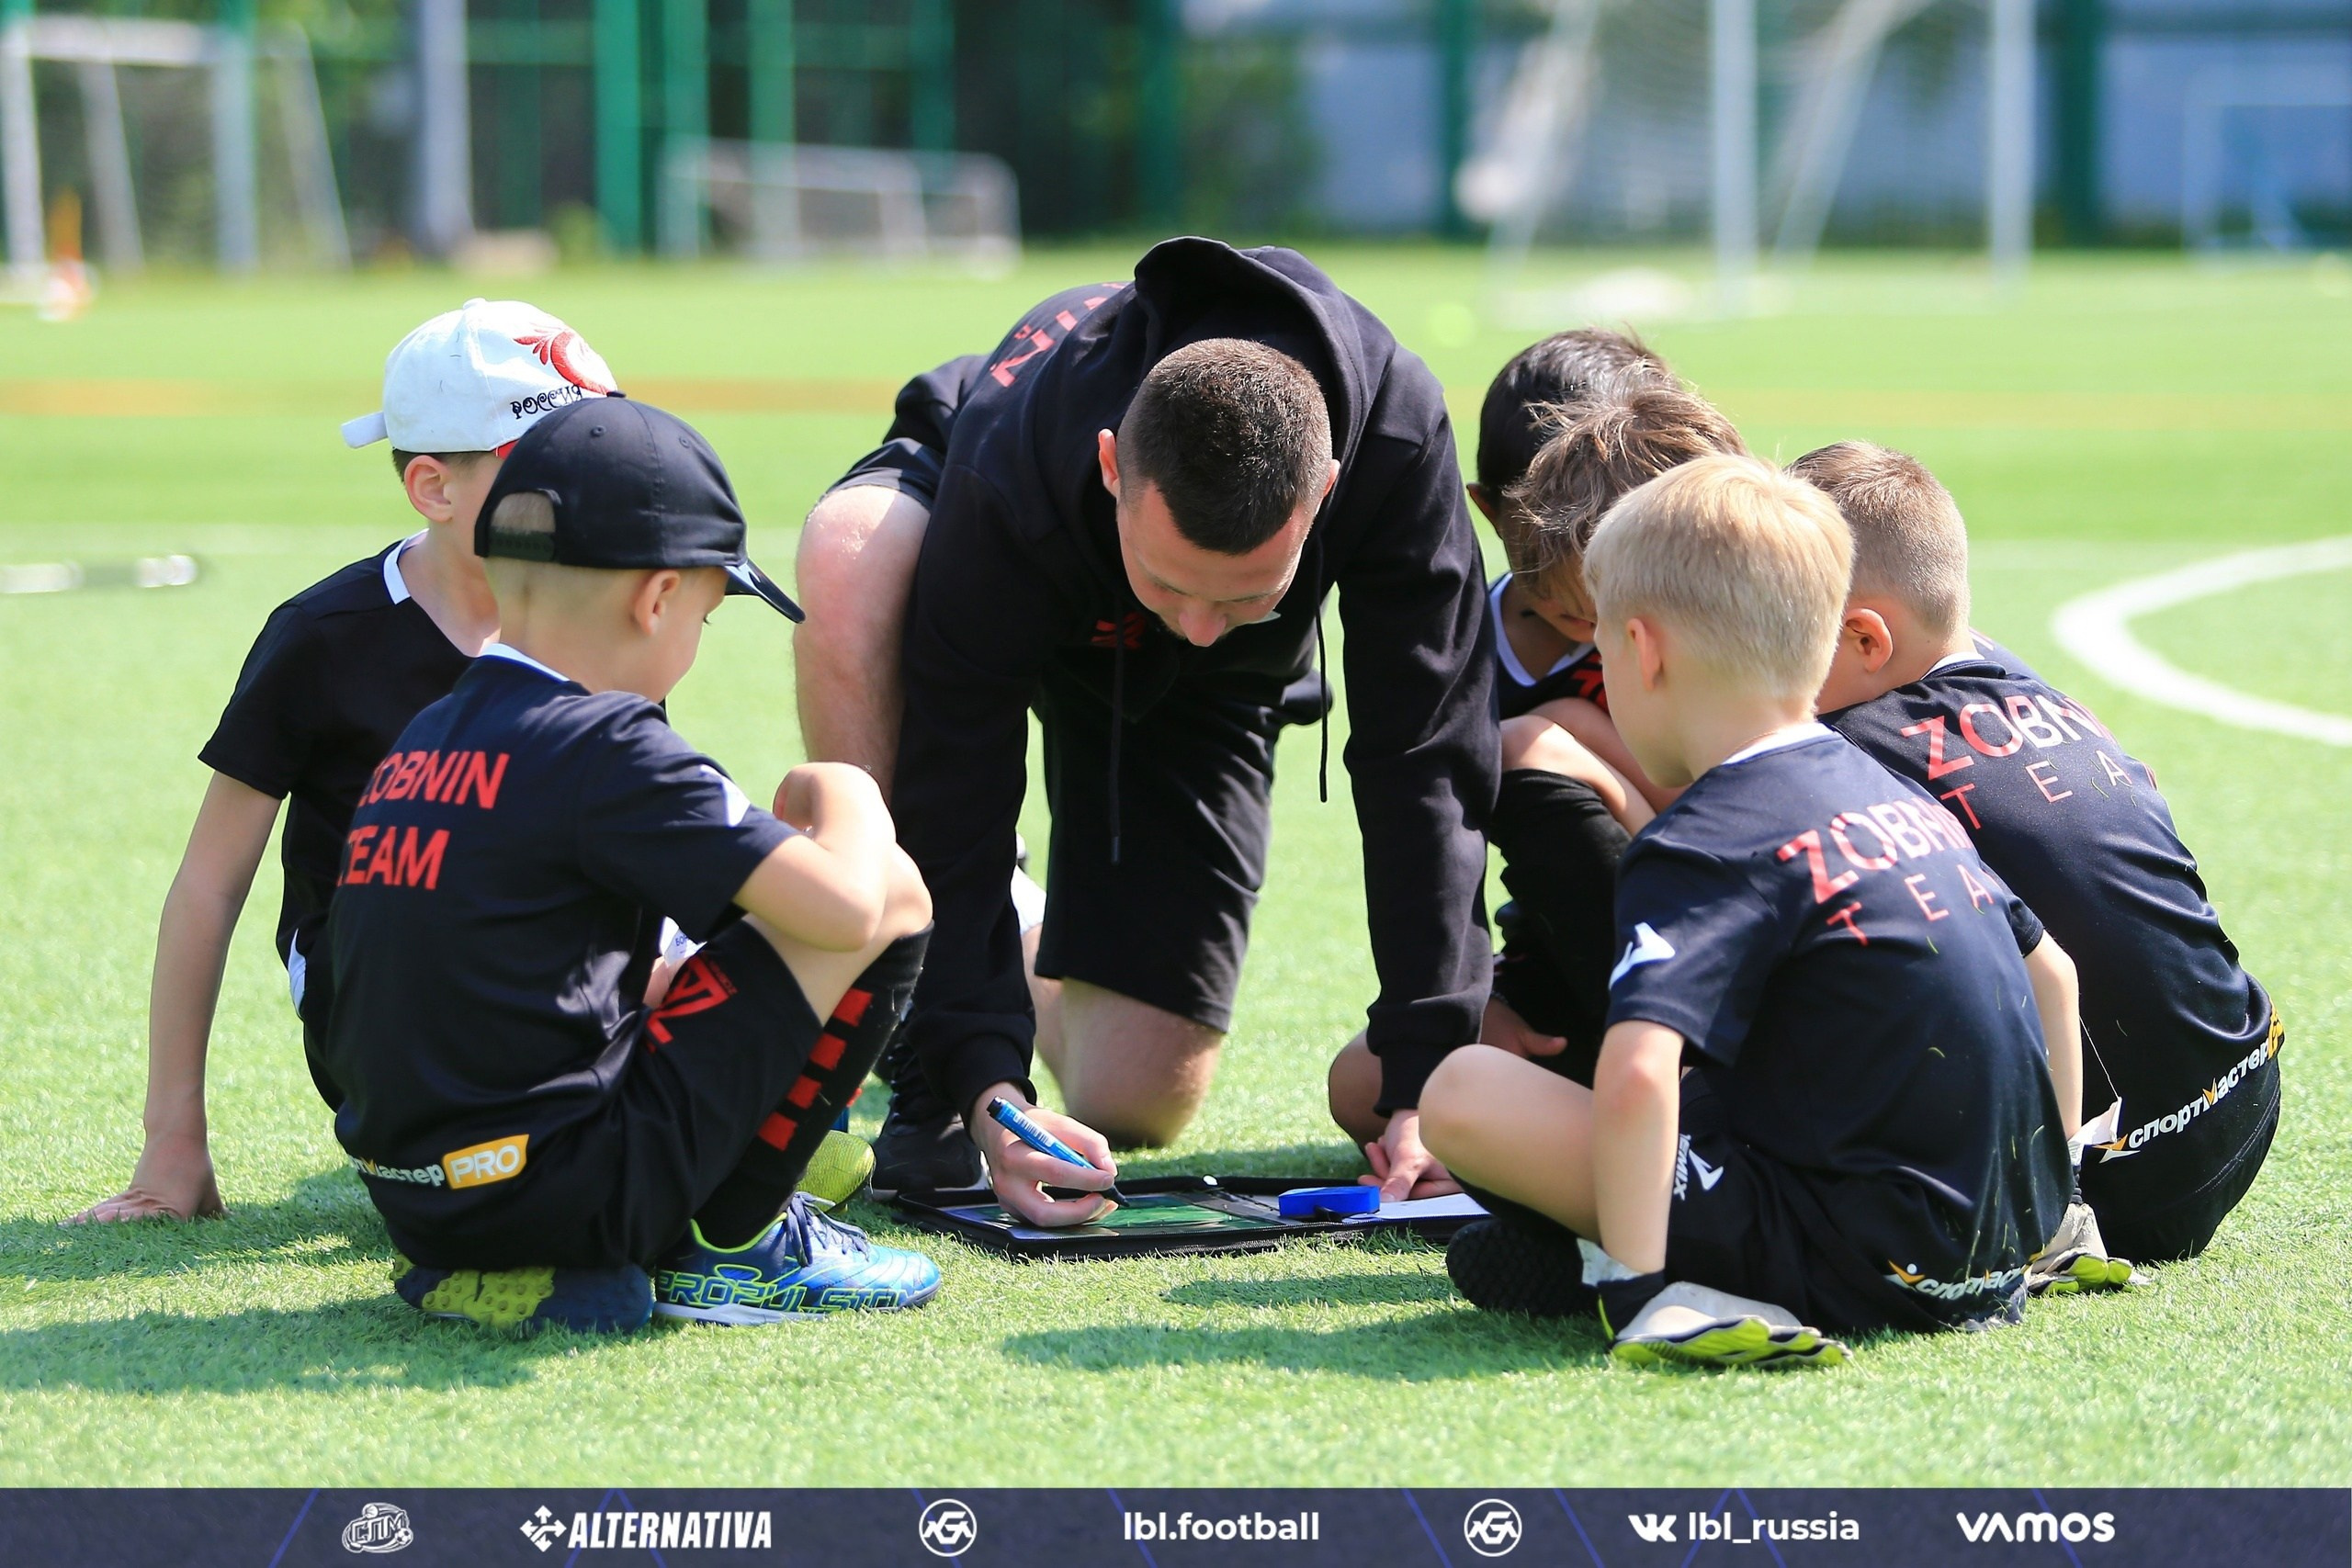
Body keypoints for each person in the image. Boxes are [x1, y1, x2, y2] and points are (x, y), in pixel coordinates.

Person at [793, 239, 1497, 1223]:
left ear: (1326, 491)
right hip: (1003, 582)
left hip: (1207, 698)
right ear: (1113, 466)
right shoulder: (1011, 472)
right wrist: (981, 1085)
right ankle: (902, 991)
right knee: (851, 554)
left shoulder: (1395, 436)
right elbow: (956, 779)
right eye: (1172, 581)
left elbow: (1425, 761)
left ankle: (1013, 912)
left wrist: (1432, 1078)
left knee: (1134, 1098)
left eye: (1248, 593)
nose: (1200, 624)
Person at [1419, 455, 2077, 1368]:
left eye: (1603, 643)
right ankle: (2047, 1235)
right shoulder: (1896, 795)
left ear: (1643, 650)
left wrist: (1641, 1289)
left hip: (1853, 1263)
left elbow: (1642, 1075)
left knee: (1464, 1088)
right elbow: (2053, 973)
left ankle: (1624, 1271)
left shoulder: (1703, 838)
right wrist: (2047, 1213)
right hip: (1990, 1254)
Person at [319, 397, 939, 1333]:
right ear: (657, 598)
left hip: (420, 1202)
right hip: (563, 1185)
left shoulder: (428, 733)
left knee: (702, 959)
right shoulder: (607, 743)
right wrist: (844, 784)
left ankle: (519, 1268)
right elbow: (849, 911)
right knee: (891, 889)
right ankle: (736, 1242)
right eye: (705, 612)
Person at [67, 299, 616, 1225]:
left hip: (559, 977)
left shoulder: (602, 610)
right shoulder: (325, 637)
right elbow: (208, 885)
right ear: (435, 489)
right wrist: (173, 1142)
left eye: (599, 446)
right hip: (389, 1002)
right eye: (552, 460)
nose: (590, 482)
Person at [1804, 440, 2279, 1269]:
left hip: (2119, 1180)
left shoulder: (1853, 744)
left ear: (1866, 639)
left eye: (1778, 629)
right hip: (2246, 1089)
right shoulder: (2020, 678)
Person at [1328, 378, 1742, 1126]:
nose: (1585, 625)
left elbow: (1738, 844)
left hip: (1702, 966)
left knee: (1526, 745)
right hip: (1564, 970)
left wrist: (1576, 747)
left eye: (1602, 610)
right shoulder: (1460, 645)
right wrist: (1478, 1000)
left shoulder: (1731, 650)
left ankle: (1691, 1106)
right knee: (1361, 1085)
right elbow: (1429, 836)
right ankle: (1606, 1110)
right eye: (1563, 602)